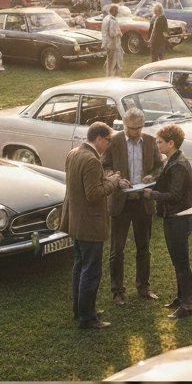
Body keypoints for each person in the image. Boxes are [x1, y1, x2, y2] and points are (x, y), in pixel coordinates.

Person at [61, 122, 124, 330]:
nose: (109, 144)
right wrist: (113, 181)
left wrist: (104, 178)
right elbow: (93, 193)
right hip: (90, 224)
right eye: (108, 140)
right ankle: (88, 318)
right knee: (91, 271)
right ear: (98, 138)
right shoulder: (92, 160)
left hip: (76, 222)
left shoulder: (74, 153)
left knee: (79, 267)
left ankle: (80, 310)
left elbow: (83, 184)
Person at [103, 108, 161, 305]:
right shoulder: (115, 141)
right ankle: (117, 291)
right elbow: (104, 166)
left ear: (143, 126)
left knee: (143, 247)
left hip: (143, 202)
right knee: (117, 250)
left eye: (137, 128)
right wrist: (116, 180)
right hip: (121, 201)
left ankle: (143, 286)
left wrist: (152, 176)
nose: (134, 132)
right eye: (130, 128)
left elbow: (159, 166)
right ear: (124, 124)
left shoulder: (151, 142)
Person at [142, 124, 192, 319]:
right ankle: (181, 299)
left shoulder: (179, 164)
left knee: (182, 263)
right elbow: (168, 182)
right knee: (177, 261)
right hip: (173, 217)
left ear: (171, 143)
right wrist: (153, 180)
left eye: (160, 142)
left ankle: (187, 306)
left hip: (179, 218)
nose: (157, 145)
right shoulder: (171, 160)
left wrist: (151, 194)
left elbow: (175, 195)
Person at [100, 3, 124, 77]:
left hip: (108, 44)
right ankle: (113, 79)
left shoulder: (106, 18)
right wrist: (119, 33)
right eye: (116, 11)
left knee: (110, 64)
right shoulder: (112, 20)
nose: (117, 12)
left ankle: (109, 78)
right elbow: (112, 34)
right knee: (115, 65)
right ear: (113, 11)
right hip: (114, 45)